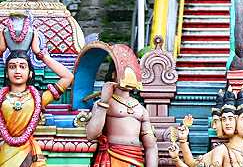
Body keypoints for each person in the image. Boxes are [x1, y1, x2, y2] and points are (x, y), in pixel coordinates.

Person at [0, 30, 74, 167]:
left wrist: (40, 54)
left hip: (29, 154)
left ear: (30, 74)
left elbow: (68, 77)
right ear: (6, 73)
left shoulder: (38, 98)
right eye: (12, 67)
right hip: (5, 154)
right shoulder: (1, 97)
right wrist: (0, 50)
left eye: (22, 67)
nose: (17, 71)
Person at [85, 55, 158, 167]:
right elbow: (91, 134)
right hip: (112, 156)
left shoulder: (140, 108)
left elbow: (151, 146)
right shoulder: (104, 103)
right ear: (114, 74)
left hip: (135, 158)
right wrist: (104, 102)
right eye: (126, 71)